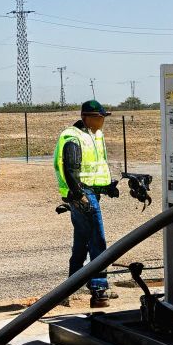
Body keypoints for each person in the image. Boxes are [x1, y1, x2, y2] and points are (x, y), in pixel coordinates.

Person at [56, 99, 121, 307]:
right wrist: (79, 195)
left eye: (103, 117)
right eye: (98, 117)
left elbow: (93, 169)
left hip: (88, 192)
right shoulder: (73, 137)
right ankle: (99, 290)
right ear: (85, 117)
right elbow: (71, 169)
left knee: (82, 241)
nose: (102, 121)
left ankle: (68, 290)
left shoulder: (95, 135)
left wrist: (106, 187)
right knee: (97, 240)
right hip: (82, 195)